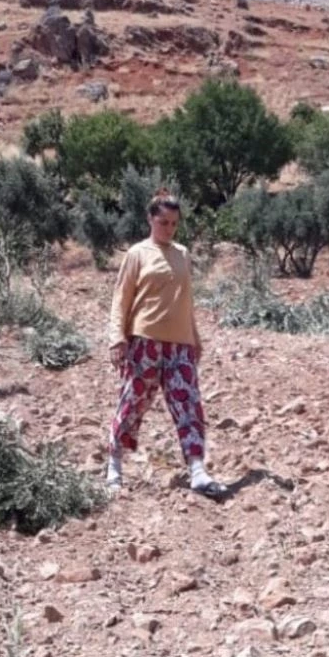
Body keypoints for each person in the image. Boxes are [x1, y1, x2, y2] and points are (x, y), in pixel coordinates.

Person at [106, 190, 225, 499]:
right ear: (150, 219)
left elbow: (186, 299)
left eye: (174, 223)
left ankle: (197, 469)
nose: (169, 229)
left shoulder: (182, 253)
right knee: (133, 401)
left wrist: (195, 338)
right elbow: (121, 299)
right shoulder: (137, 253)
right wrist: (117, 339)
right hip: (144, 340)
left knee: (188, 402)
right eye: (163, 222)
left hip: (180, 345)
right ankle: (114, 464)